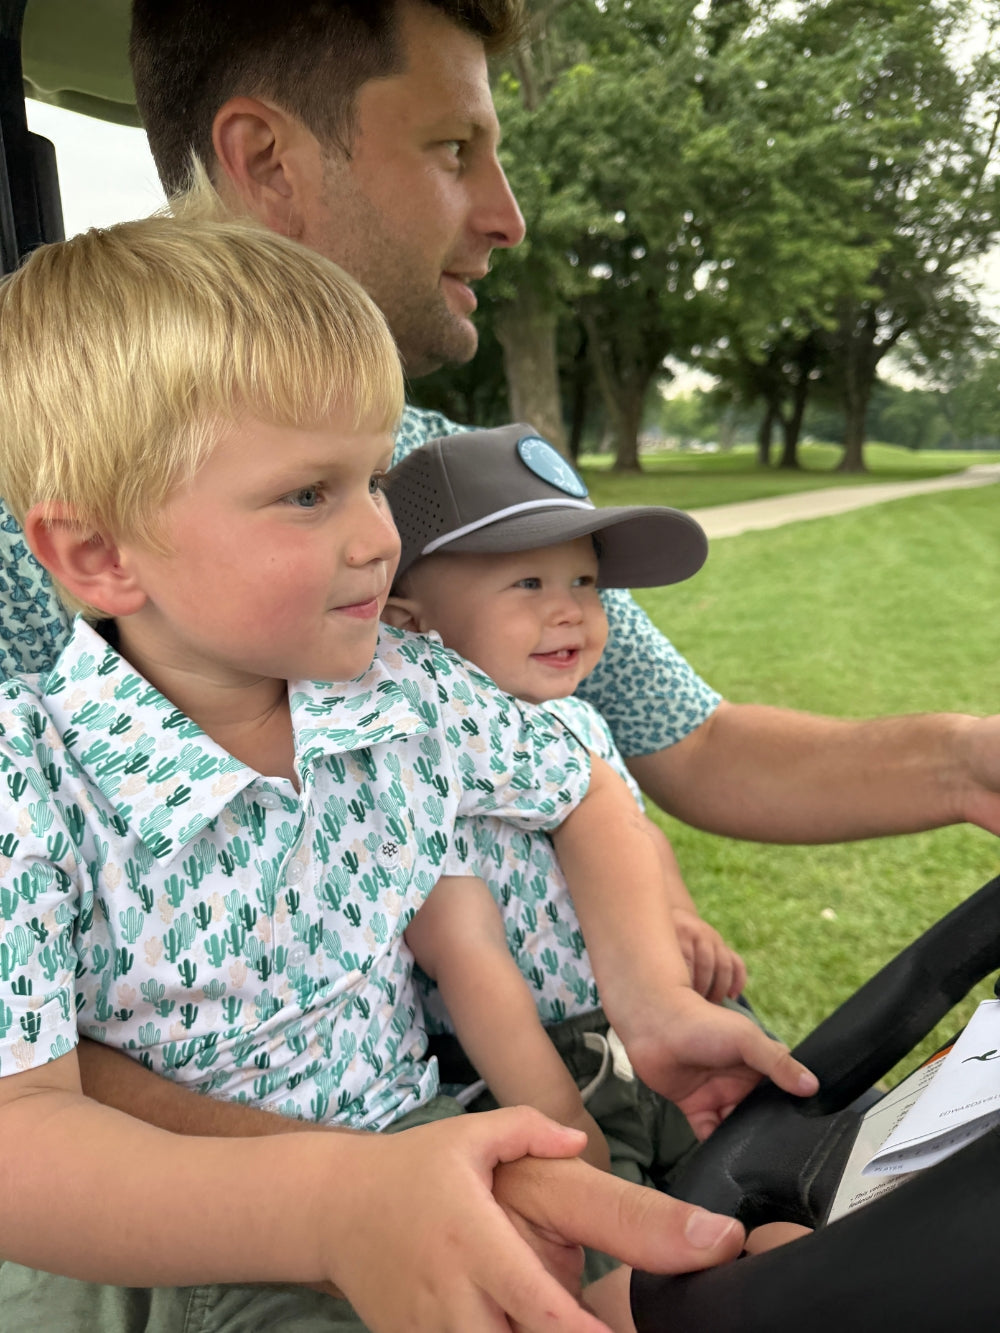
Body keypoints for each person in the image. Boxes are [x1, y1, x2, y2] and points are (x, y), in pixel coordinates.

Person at [0, 204, 818, 1330]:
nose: (379, 535)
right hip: (162, 1248)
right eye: (307, 493)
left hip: (421, 1149)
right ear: (99, 553)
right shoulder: (25, 778)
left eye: (373, 479)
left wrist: (644, 992)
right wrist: (341, 1206)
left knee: (761, 1271)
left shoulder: (394, 692)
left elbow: (577, 781)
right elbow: (20, 1139)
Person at [383, 424, 750, 1180]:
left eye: (584, 581)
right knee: (626, 1265)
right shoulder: (421, 752)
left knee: (760, 1175)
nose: (570, 611)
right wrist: (559, 1117)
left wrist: (673, 913)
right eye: (529, 583)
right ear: (407, 619)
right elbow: (461, 950)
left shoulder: (577, 720)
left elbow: (636, 835)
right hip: (527, 1069)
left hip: (648, 1034)